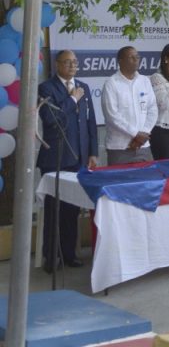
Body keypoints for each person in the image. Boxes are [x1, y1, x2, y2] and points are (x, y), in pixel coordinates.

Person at [37, 50, 98, 271]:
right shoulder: (46, 88)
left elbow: (90, 122)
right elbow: (52, 119)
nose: (72, 66)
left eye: (75, 62)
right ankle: (52, 257)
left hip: (78, 157)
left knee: (71, 209)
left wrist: (93, 152)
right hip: (55, 158)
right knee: (54, 210)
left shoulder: (84, 87)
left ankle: (70, 254)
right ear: (57, 64)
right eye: (67, 62)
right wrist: (73, 98)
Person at [101, 45, 158, 164]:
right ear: (120, 61)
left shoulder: (145, 81)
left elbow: (152, 109)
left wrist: (143, 134)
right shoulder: (111, 83)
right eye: (131, 57)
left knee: (146, 181)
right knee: (119, 182)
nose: (136, 60)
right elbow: (112, 116)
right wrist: (135, 134)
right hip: (120, 148)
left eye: (137, 57)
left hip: (143, 146)